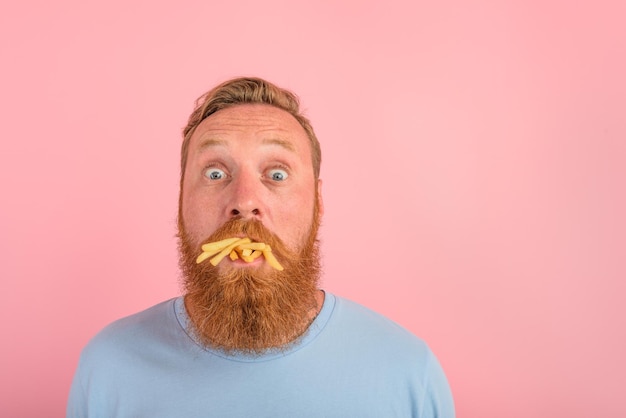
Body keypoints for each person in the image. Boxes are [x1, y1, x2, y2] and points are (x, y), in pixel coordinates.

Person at [67, 77, 455, 417]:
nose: (244, 200)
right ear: (181, 199)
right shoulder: (108, 367)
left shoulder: (408, 374)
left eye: (277, 173)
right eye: (215, 172)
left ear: (318, 202)